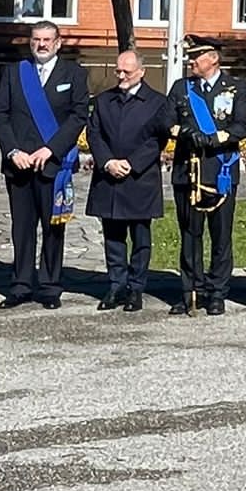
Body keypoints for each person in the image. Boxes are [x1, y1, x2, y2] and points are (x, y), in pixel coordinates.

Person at [0, 20, 91, 310]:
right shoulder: (14, 73)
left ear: (58, 43)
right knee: (21, 228)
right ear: (30, 42)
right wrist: (12, 151)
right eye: (37, 39)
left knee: (53, 227)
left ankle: (49, 286)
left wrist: (51, 149)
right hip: (19, 164)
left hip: (53, 165)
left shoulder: (74, 73)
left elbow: (78, 115)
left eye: (48, 39)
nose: (42, 44)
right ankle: (21, 285)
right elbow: (1, 115)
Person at [165, 34, 246, 314]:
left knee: (220, 236)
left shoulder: (235, 88)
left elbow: (243, 125)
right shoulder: (181, 88)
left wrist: (215, 138)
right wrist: (184, 132)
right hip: (188, 172)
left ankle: (217, 292)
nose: (191, 62)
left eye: (196, 57)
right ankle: (191, 290)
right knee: (190, 234)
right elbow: (165, 122)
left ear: (212, 58)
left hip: (220, 169)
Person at [86, 49, 170, 311]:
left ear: (141, 72)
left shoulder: (157, 102)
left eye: (127, 71)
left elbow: (157, 139)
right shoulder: (104, 100)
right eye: (118, 71)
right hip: (109, 176)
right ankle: (116, 285)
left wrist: (132, 164)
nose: (121, 75)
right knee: (112, 236)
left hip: (139, 178)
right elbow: (94, 134)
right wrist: (108, 161)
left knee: (140, 237)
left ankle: (136, 287)